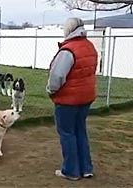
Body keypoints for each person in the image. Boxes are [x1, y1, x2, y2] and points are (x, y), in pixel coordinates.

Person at [46, 17, 98, 181]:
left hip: (68, 100)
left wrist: (51, 91)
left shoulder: (68, 50)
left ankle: (71, 171)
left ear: (68, 30)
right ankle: (86, 168)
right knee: (80, 131)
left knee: (67, 134)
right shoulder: (90, 46)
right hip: (86, 98)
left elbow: (57, 76)